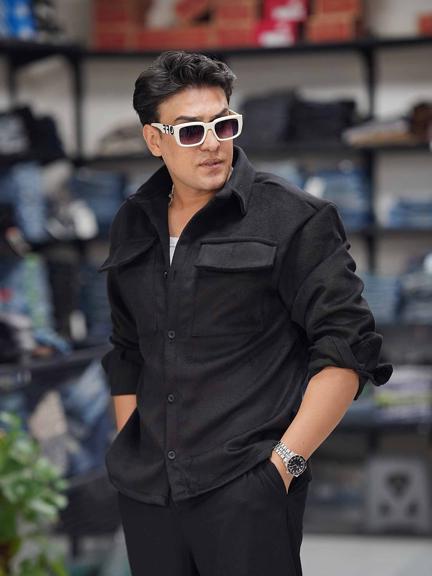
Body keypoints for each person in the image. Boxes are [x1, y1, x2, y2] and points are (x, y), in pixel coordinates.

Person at [98, 50, 393, 576]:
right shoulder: (132, 222)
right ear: (154, 140)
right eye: (191, 131)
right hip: (150, 497)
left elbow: (347, 350)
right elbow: (127, 350)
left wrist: (282, 468)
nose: (212, 143)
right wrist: (134, 451)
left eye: (223, 124)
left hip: (246, 491)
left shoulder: (295, 218)